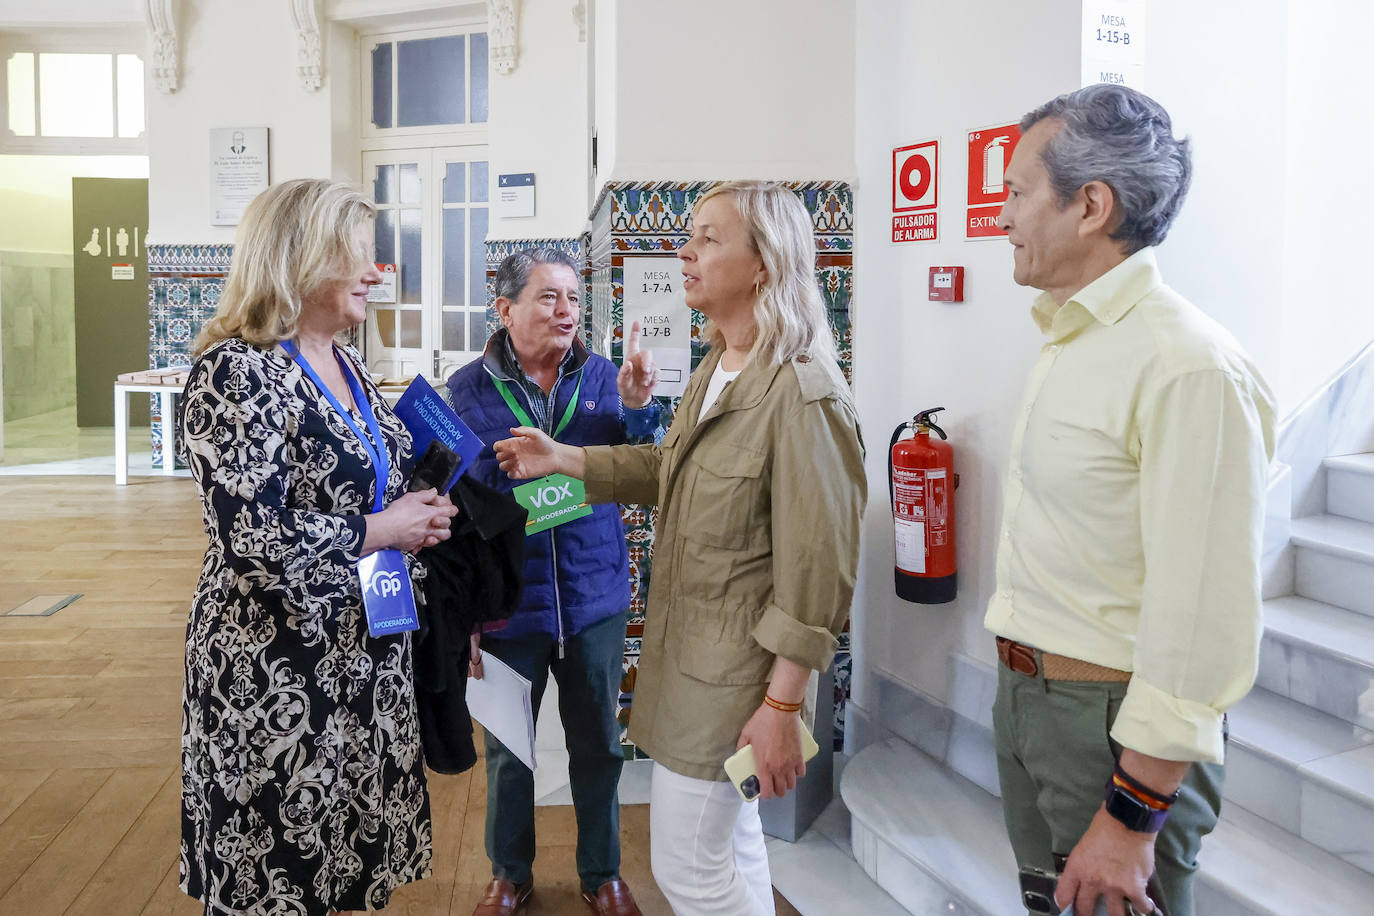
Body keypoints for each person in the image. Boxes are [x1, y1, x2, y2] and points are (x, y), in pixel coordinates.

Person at [494, 181, 866, 915]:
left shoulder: (803, 392)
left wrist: (783, 706)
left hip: (739, 682)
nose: (684, 252)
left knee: (690, 870)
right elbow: (670, 471)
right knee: (735, 845)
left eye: (707, 238)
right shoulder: (721, 366)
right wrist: (564, 458)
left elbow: (818, 568)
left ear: (763, 262)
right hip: (690, 657)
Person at [986, 85, 1276, 916]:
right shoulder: (1069, 337)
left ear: (1090, 206)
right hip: (1030, 703)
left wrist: (1134, 812)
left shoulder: (1186, 365)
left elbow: (1204, 618)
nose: (1000, 216)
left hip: (1108, 728)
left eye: (1014, 193)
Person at [178, 178, 458, 916]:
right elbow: (248, 534)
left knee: (338, 863)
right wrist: (381, 529)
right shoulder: (238, 369)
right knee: (275, 868)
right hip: (275, 670)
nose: (375, 272)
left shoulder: (345, 360)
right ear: (299, 259)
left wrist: (418, 520)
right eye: (359, 255)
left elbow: (369, 486)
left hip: (361, 653)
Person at [444, 248, 660, 916]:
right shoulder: (465, 391)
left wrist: (639, 409)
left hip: (593, 597)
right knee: (510, 751)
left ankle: (602, 874)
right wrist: (466, 620)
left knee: (599, 740)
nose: (566, 311)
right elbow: (453, 507)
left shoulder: (603, 378)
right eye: (548, 298)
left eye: (572, 297)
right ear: (505, 309)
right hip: (509, 607)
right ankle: (510, 873)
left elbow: (645, 463)